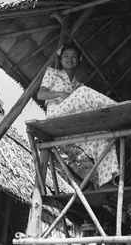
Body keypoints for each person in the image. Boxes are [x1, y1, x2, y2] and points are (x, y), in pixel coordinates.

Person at [37, 44, 119, 189]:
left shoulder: (77, 83)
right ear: (61, 60)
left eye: (73, 56)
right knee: (83, 93)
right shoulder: (53, 73)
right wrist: (59, 94)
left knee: (104, 137)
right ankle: (118, 109)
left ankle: (106, 182)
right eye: (66, 56)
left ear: (79, 60)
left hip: (72, 123)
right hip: (56, 115)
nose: (69, 59)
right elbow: (40, 94)